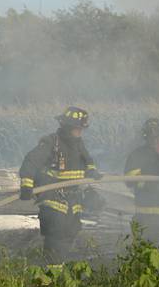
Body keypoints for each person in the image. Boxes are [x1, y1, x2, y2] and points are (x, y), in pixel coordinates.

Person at [19, 107, 100, 263]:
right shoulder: (51, 143)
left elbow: (88, 161)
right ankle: (50, 279)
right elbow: (30, 162)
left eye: (81, 128)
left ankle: (56, 273)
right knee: (55, 239)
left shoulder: (78, 144)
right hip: (53, 199)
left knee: (69, 236)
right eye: (77, 128)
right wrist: (26, 185)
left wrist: (92, 171)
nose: (80, 131)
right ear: (68, 127)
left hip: (74, 200)